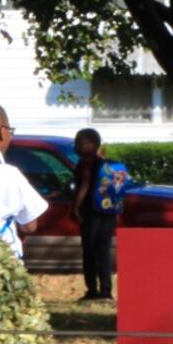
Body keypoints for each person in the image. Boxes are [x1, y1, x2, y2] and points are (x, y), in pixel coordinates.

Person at [70, 128, 116, 300]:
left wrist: (75, 208)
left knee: (89, 252)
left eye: (79, 142)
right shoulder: (103, 162)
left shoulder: (86, 163)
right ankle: (106, 291)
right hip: (107, 213)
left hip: (91, 214)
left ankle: (92, 290)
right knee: (103, 252)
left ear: (91, 143)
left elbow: (84, 186)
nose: (76, 146)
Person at [0, 105, 47, 263]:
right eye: (10, 132)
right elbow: (30, 225)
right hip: (3, 267)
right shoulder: (10, 175)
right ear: (2, 132)